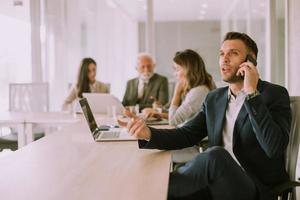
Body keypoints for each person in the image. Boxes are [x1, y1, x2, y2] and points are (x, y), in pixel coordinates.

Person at [118, 32, 292, 200]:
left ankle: (149, 187)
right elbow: (186, 134)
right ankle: (147, 188)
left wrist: (252, 94)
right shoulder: (215, 98)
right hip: (216, 183)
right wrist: (147, 133)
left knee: (215, 155)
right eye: (222, 54)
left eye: (233, 53)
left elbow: (274, 147)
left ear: (251, 60)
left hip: (253, 188)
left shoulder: (274, 94)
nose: (224, 59)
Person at [142, 49, 216, 127]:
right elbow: (180, 114)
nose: (175, 74)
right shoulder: (197, 88)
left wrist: (177, 93)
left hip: (196, 138)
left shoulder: (199, 91)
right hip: (189, 133)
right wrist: (159, 114)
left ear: (188, 69)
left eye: (177, 69)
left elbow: (173, 121)